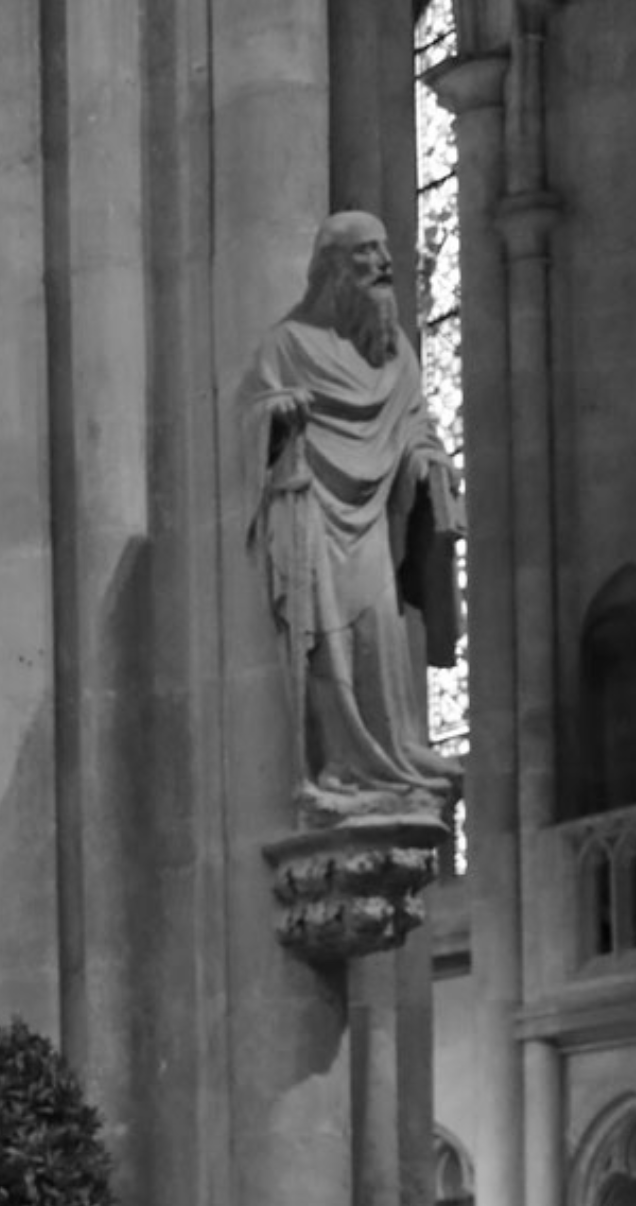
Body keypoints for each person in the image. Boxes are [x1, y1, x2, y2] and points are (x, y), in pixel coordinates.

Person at [243, 211, 467, 828]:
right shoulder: (287, 345)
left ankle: (390, 757)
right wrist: (278, 414)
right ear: (336, 271)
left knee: (379, 640)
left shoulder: (396, 357)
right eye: (368, 254)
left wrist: (428, 464)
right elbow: (254, 424)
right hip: (313, 510)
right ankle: (343, 766)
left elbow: (418, 428)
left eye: (385, 251)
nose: (384, 264)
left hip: (373, 523)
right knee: (329, 645)